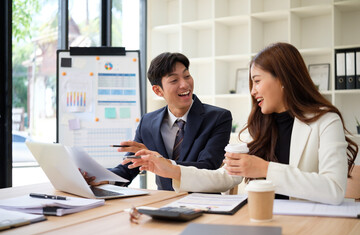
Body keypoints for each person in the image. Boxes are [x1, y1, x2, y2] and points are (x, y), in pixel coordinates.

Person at [124, 42, 358, 205]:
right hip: (260, 218)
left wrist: (264, 169)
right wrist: (172, 169)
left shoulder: (325, 121)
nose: (253, 91)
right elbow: (225, 177)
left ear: (283, 79)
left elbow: (334, 189)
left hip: (308, 225)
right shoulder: (261, 124)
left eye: (257, 81)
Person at [83, 52, 232, 191]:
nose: (185, 85)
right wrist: (102, 178)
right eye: (174, 80)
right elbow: (128, 169)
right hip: (162, 204)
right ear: (158, 91)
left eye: (187, 76)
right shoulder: (147, 122)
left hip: (204, 203)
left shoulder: (218, 118)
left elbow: (208, 168)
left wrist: (163, 163)